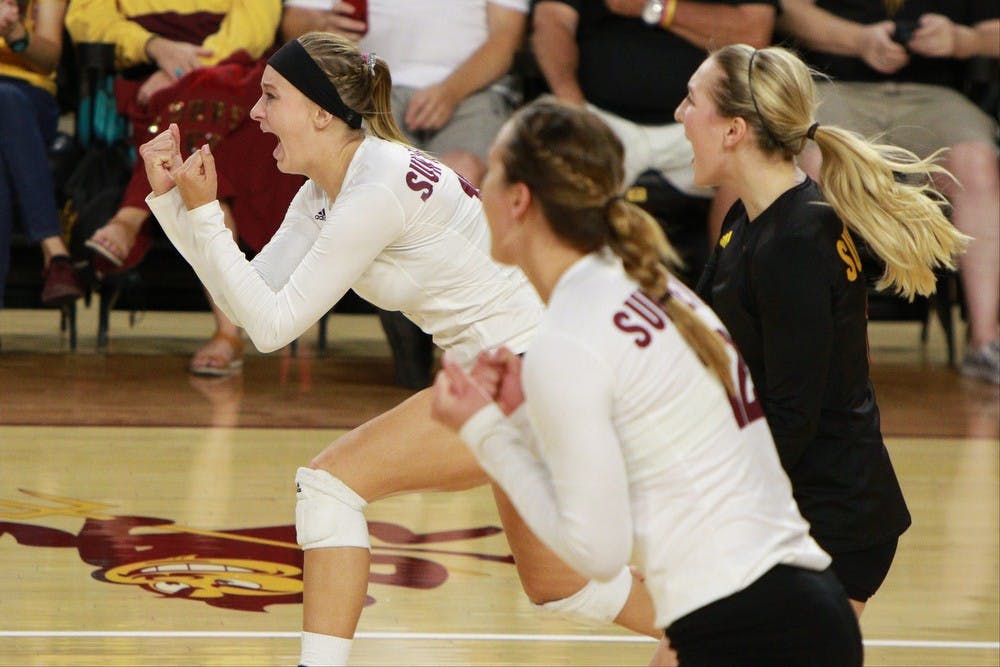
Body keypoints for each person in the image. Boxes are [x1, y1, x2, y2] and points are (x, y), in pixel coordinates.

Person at [139, 32, 665, 666]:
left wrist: (200, 216)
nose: (255, 114)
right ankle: (719, 629)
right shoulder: (331, 188)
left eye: (269, 97)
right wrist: (175, 204)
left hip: (535, 369)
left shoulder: (376, 189)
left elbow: (274, 327)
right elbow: (254, 302)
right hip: (532, 368)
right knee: (559, 587)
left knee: (329, 486)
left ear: (320, 112)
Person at [429, 96, 862, 666]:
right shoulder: (646, 285)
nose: (478, 186)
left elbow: (597, 554)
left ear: (519, 200)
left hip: (752, 628)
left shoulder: (569, 338)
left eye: (492, 168)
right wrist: (517, 417)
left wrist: (486, 431)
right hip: (790, 608)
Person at [676, 44, 969, 617]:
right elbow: (706, 336)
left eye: (691, 100)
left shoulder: (796, 243)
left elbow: (791, 417)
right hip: (794, 505)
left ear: (734, 129)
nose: (679, 115)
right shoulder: (751, 217)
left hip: (827, 523)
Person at [280, 0, 530, 388]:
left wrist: (449, 92)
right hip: (371, 84)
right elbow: (296, 24)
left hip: (472, 89)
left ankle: (460, 351)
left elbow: (506, 37)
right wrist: (324, 30)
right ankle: (415, 352)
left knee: (461, 172)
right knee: (365, 187)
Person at [65, 0, 304, 376]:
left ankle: (130, 216)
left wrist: (185, 70)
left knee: (199, 119)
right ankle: (228, 333)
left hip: (232, 75)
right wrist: (152, 47)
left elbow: (256, 24)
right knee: (209, 180)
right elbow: (85, 17)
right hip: (148, 78)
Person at [777, 0, 1000, 385]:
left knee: (978, 165)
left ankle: (984, 339)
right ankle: (815, 338)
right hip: (834, 85)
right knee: (814, 162)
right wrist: (858, 40)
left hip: (934, 95)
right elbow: (786, 12)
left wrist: (963, 39)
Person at [531, 0, 778, 246]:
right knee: (551, 160)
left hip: (705, 117)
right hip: (599, 116)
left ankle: (727, 279)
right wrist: (572, 106)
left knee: (752, 157)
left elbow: (753, 37)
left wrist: (655, 8)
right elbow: (551, 22)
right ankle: (576, 282)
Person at [0, 0, 83, 310]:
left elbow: (49, 60)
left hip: (29, 100)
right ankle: (53, 247)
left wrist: (17, 33)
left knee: (5, 99)